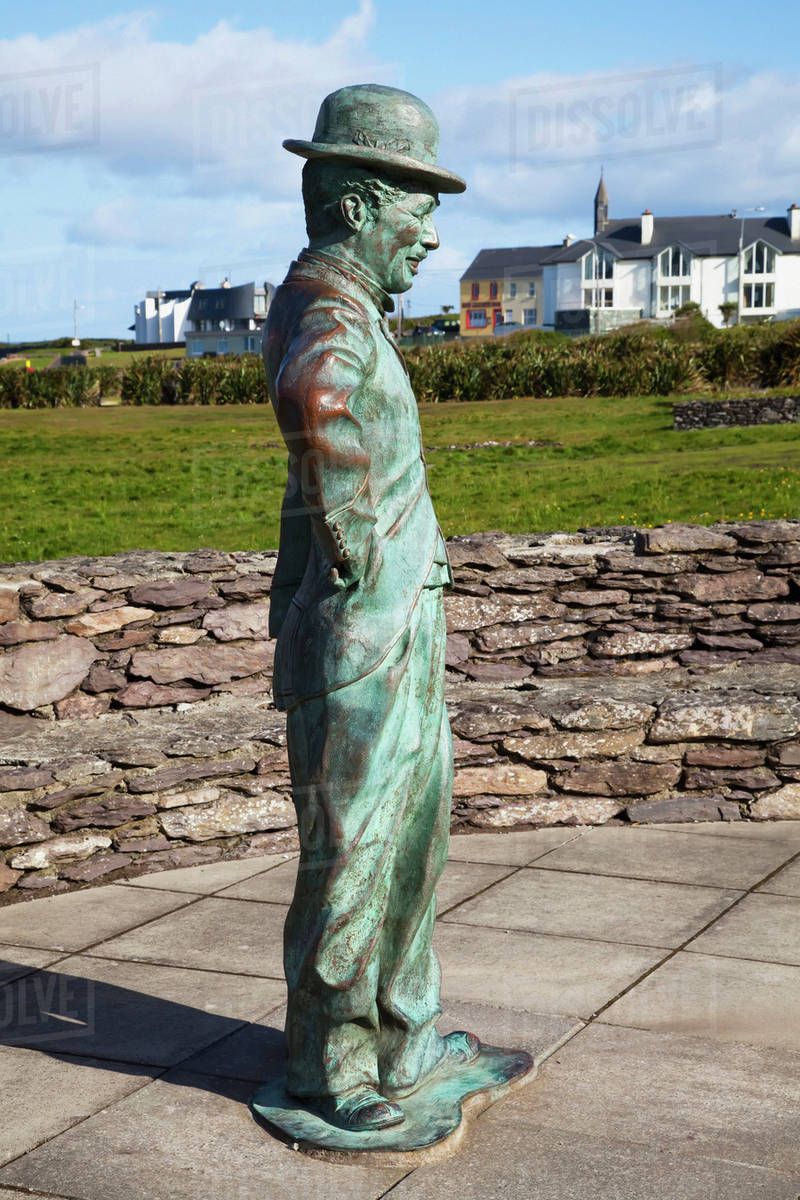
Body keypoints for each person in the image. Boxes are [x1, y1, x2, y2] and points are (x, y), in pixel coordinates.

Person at [263, 83, 479, 1134]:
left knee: (413, 840)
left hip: (399, 624)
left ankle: (405, 1036)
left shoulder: (349, 305)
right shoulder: (324, 306)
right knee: (350, 854)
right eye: (417, 207)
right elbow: (316, 398)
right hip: (362, 636)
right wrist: (352, 546)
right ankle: (332, 1069)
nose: (431, 236)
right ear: (354, 205)